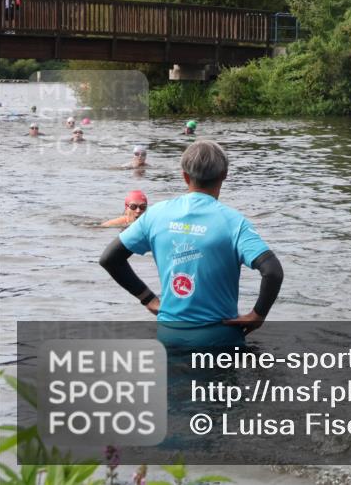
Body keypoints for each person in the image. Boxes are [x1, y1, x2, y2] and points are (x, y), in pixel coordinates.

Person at [98, 140, 284, 349]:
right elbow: (273, 271)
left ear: (185, 176)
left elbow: (110, 259)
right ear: (224, 175)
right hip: (219, 339)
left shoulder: (156, 215)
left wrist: (148, 299)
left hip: (169, 337)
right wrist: (257, 315)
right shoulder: (234, 223)